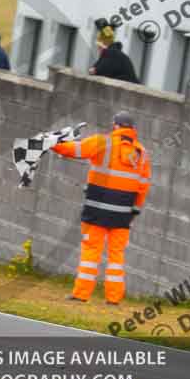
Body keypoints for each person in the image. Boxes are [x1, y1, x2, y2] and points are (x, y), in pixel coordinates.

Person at [48, 111, 151, 305]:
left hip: (96, 209)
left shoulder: (102, 142)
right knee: (116, 255)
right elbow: (143, 186)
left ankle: (81, 294)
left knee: (91, 250)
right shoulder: (142, 153)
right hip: (123, 214)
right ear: (133, 129)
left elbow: (73, 150)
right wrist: (135, 209)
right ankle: (113, 298)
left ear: (115, 125)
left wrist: (51, 143)